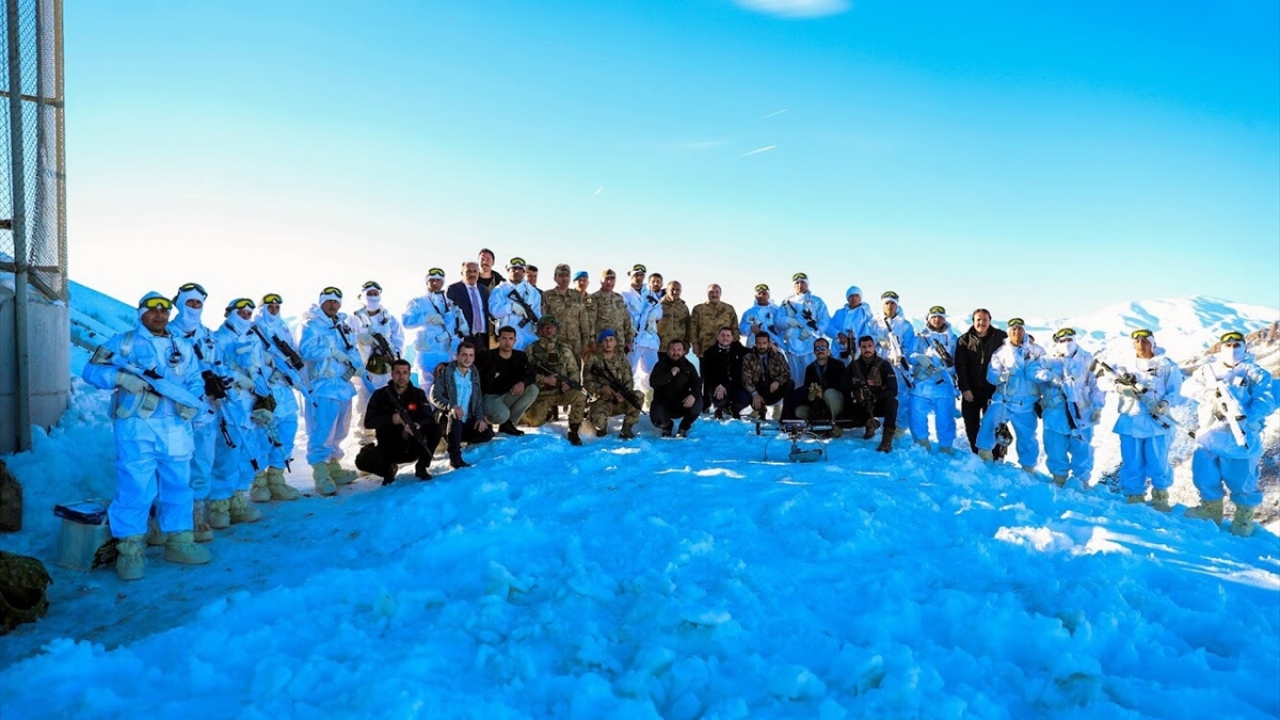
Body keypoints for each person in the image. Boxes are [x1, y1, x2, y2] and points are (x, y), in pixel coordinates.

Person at [81, 292, 210, 580]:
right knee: (135, 487)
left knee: (178, 484)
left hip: (175, 426)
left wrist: (192, 402)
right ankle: (130, 549)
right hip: (136, 426)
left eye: (164, 310)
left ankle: (179, 540)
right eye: (153, 310)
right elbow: (91, 370)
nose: (160, 315)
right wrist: (119, 378)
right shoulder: (123, 343)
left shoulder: (182, 345)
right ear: (141, 313)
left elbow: (194, 380)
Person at [1182, 331, 1275, 536]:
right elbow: (1189, 387)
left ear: (1245, 347)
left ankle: (1243, 518)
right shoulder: (1207, 371)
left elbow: (1267, 400)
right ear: (1220, 348)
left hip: (1240, 436)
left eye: (1236, 345)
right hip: (1209, 434)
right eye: (1228, 345)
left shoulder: (1256, 373)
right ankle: (1211, 510)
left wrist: (1244, 414)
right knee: (1205, 474)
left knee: (1242, 478)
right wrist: (1211, 396)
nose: (1232, 349)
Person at [1100, 329, 1184, 510]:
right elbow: (1102, 381)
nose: (1140, 344)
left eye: (1144, 341)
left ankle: (1160, 496)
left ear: (1152, 342)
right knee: (1131, 460)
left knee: (1158, 460)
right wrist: (1120, 388)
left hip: (1157, 421)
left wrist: (1165, 402)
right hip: (1130, 419)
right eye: (1136, 341)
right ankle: (1134, 496)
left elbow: (1175, 390)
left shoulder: (1167, 365)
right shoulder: (1125, 363)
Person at [208, 298, 270, 528]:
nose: (245, 317)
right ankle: (219, 506)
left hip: (251, 405)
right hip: (231, 405)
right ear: (230, 313)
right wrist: (236, 379)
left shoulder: (253, 338)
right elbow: (213, 367)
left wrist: (263, 390)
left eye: (248, 314)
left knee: (249, 452)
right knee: (228, 455)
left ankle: (237, 500)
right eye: (241, 313)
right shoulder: (218, 338)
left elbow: (259, 369)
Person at [298, 286, 362, 495]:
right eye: (328, 300)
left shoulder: (342, 326)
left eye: (336, 300)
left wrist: (356, 365)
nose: (333, 304)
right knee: (322, 430)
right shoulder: (312, 325)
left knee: (341, 429)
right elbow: (306, 350)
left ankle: (333, 464)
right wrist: (332, 352)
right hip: (323, 386)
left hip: (343, 386)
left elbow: (351, 349)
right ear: (321, 303)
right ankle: (319, 470)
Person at [1035, 328, 1104, 487]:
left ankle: (1082, 481)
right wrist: (1047, 375)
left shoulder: (1087, 358)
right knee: (1055, 448)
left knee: (1082, 449)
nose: (1066, 343)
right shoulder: (1048, 360)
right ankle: (1059, 479)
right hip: (1055, 412)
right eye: (1062, 340)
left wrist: (1098, 407)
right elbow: (1033, 371)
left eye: (1069, 339)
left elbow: (1096, 385)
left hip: (1082, 413)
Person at [250, 292, 302, 501]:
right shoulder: (252, 329)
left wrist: (290, 373)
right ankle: (259, 482)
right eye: (269, 307)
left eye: (276, 307)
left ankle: (277, 479)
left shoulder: (283, 327)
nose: (273, 310)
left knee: (287, 431)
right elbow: (246, 361)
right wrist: (268, 367)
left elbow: (292, 355)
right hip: (264, 392)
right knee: (263, 437)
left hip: (284, 390)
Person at [975, 318, 1044, 472]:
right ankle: (984, 457)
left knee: (1028, 437)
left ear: (1024, 330)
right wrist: (999, 377)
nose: (1017, 332)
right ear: (1009, 331)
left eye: (1020, 329)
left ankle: (1028, 469)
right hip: (1003, 400)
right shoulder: (1001, 352)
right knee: (988, 424)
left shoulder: (1037, 351)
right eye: (1013, 329)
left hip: (1026, 403)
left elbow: (1046, 370)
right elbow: (990, 375)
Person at [360, 359, 439, 484]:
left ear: (409, 374)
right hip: (389, 447)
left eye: (405, 372)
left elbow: (429, 417)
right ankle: (388, 470)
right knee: (362, 460)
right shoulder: (380, 395)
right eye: (397, 372)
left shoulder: (418, 394)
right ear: (391, 374)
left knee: (435, 429)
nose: (401, 376)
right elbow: (369, 422)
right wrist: (390, 419)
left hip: (413, 444)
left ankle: (422, 467)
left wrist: (417, 425)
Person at [349, 281, 405, 440]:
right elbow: (343, 338)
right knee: (363, 403)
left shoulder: (388, 317)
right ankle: (364, 439)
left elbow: (399, 339)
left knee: (387, 401)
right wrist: (359, 337)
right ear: (362, 296)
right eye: (369, 294)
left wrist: (394, 354)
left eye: (376, 294)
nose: (373, 297)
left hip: (385, 369)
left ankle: (386, 435)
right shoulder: (354, 318)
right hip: (363, 369)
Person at [402, 268, 468, 397]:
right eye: (432, 280)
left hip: (448, 355)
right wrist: (426, 318)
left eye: (438, 280)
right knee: (427, 392)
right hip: (428, 354)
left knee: (449, 393)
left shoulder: (449, 303)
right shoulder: (418, 302)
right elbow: (407, 322)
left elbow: (456, 330)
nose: (435, 283)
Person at [523, 316, 587, 445]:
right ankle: (539, 413)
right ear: (539, 330)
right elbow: (524, 375)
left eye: (551, 327)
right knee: (534, 422)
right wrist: (544, 379)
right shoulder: (531, 350)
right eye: (545, 327)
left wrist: (569, 384)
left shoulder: (564, 349)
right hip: (540, 395)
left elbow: (574, 371)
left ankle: (573, 430)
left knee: (580, 396)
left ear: (556, 329)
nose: (548, 330)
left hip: (560, 392)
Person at [429, 341, 494, 468]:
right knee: (455, 416)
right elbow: (434, 396)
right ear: (457, 356)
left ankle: (456, 438)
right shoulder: (447, 372)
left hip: (465, 419)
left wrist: (480, 418)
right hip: (446, 418)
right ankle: (455, 457)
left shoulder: (474, 374)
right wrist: (451, 406)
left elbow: (478, 399)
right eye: (464, 355)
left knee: (487, 434)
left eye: (471, 355)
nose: (467, 358)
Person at [955, 308, 1009, 456]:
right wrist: (964, 388)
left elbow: (1015, 347)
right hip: (971, 390)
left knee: (993, 424)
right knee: (971, 424)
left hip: (992, 390)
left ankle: (996, 455)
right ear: (973, 321)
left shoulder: (1001, 337)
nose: (982, 322)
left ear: (990, 320)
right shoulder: (964, 340)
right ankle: (977, 453)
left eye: (984, 319)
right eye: (978, 319)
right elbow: (961, 366)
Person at [907, 306, 960, 453]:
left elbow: (959, 361)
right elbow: (908, 355)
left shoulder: (952, 339)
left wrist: (948, 366)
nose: (937, 319)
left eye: (940, 317)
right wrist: (918, 358)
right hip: (921, 384)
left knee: (945, 418)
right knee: (916, 415)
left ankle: (946, 446)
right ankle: (921, 443)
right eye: (934, 317)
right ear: (928, 318)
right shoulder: (919, 336)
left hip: (944, 385)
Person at [869, 291, 916, 436]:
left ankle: (899, 425)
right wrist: (878, 342)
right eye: (887, 303)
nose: (889, 306)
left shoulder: (905, 325)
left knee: (900, 393)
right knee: (877, 391)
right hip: (877, 364)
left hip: (897, 366)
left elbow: (910, 347)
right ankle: (878, 422)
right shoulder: (874, 322)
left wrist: (900, 354)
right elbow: (866, 340)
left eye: (892, 303)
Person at [480, 326, 541, 436]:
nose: (507, 342)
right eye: (504, 338)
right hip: (490, 397)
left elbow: (531, 375)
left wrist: (522, 383)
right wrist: (444, 365)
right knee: (502, 415)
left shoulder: (520, 357)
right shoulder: (487, 356)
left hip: (508, 394)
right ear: (498, 339)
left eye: (510, 338)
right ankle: (483, 421)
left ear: (515, 340)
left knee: (532, 389)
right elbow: (466, 362)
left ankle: (507, 424)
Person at [843, 335, 898, 452]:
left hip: (878, 403)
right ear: (860, 348)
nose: (867, 349)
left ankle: (887, 440)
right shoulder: (854, 365)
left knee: (892, 402)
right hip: (860, 404)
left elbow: (893, 389)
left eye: (869, 346)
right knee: (844, 421)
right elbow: (843, 384)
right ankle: (869, 423)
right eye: (864, 347)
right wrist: (857, 387)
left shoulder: (884, 365)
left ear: (874, 347)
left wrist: (877, 396)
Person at [584, 329, 642, 439]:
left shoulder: (621, 360)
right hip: (601, 401)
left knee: (638, 396)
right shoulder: (593, 360)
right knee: (599, 425)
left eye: (611, 340)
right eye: (605, 340)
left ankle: (627, 428)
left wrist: (624, 394)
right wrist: (602, 388)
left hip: (619, 401)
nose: (608, 343)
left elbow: (628, 380)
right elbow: (587, 383)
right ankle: (599, 424)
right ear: (601, 343)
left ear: (615, 342)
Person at [778, 272, 831, 387]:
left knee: (813, 378)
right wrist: (788, 321)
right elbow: (778, 320)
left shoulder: (816, 301)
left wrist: (815, 332)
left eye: (802, 282)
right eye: (797, 283)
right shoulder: (787, 302)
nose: (800, 285)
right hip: (792, 346)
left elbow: (825, 320)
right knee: (795, 379)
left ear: (807, 284)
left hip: (810, 346)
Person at [790, 337, 845, 435]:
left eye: (823, 348)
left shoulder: (838, 365)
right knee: (799, 411)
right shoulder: (810, 368)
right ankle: (819, 424)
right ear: (814, 351)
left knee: (829, 393)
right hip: (819, 404)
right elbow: (807, 387)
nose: (820, 351)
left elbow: (842, 386)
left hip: (835, 401)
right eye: (817, 349)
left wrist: (823, 391)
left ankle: (836, 424)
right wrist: (811, 395)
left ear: (828, 350)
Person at [649, 338, 703, 437]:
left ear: (683, 352)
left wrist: (693, 395)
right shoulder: (660, 365)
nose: (676, 352)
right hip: (664, 404)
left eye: (679, 350)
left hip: (682, 403)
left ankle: (684, 427)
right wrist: (670, 374)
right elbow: (653, 382)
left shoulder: (688, 366)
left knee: (698, 402)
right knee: (657, 412)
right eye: (673, 349)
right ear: (668, 351)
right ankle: (667, 427)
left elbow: (697, 383)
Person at [488, 258, 542, 350]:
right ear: (508, 270)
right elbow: (494, 311)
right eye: (513, 268)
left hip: (527, 339)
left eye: (520, 269)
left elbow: (537, 314)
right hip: (506, 340)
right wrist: (510, 307)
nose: (517, 271)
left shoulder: (533, 292)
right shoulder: (499, 290)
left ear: (524, 272)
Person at [541, 263, 591, 360]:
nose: (564, 279)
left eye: (567, 276)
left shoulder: (576, 295)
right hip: (554, 343)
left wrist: (585, 342)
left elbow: (583, 320)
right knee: (554, 370)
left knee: (575, 372)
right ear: (555, 278)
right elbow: (543, 319)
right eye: (561, 275)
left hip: (574, 344)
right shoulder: (547, 295)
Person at [741, 331, 794, 420]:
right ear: (755, 343)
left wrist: (778, 381)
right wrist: (755, 394)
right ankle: (759, 409)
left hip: (773, 388)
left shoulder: (777, 356)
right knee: (745, 393)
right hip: (758, 389)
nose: (761, 346)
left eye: (764, 343)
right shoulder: (748, 357)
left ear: (769, 343)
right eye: (759, 343)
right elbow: (746, 379)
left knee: (790, 384)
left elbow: (786, 372)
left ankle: (785, 415)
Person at [446, 260, 491, 365]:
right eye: (468, 271)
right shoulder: (454, 289)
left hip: (483, 339)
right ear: (462, 273)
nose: (472, 274)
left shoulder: (484, 290)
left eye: (475, 271)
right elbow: (450, 314)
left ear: (479, 273)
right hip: (465, 338)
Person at [700, 326, 750, 419]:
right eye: (722, 335)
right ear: (718, 337)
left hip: (736, 385)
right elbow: (706, 373)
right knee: (719, 398)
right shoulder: (710, 353)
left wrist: (771, 346)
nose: (725, 338)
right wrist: (717, 384)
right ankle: (720, 408)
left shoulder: (739, 350)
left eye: (728, 336)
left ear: (732, 337)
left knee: (745, 399)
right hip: (719, 385)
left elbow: (754, 352)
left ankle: (734, 409)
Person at [629, 272, 665, 393]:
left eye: (641, 275)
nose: (639, 277)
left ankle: (650, 401)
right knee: (629, 371)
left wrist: (652, 315)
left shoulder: (651, 295)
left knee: (652, 372)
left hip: (650, 340)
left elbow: (659, 311)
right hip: (633, 339)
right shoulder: (626, 293)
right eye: (636, 275)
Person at [586, 269, 634, 356]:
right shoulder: (593, 298)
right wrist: (591, 340)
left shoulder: (619, 298)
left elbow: (626, 319)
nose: (609, 282)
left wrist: (628, 339)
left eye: (612, 279)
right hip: (602, 343)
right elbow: (590, 321)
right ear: (601, 281)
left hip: (619, 343)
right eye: (606, 279)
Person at [689, 284, 739, 360]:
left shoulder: (729, 309)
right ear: (707, 294)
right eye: (711, 292)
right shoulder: (698, 309)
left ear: (720, 293)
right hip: (705, 349)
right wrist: (694, 344)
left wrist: (735, 345)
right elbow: (693, 328)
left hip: (725, 349)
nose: (714, 294)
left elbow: (734, 328)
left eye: (717, 292)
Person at [830, 286, 873, 362]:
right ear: (847, 298)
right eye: (851, 296)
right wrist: (839, 334)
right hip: (838, 352)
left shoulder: (865, 313)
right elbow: (829, 327)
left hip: (857, 352)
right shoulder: (839, 313)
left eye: (857, 295)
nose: (854, 298)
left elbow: (868, 332)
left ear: (860, 298)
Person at [739, 284, 784, 351]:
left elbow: (783, 329)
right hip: (753, 349)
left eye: (764, 293)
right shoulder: (748, 313)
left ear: (768, 295)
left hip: (773, 349)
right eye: (759, 293)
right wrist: (751, 328)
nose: (761, 296)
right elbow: (741, 330)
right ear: (755, 296)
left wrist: (777, 343)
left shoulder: (777, 311)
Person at [656, 280, 691, 356]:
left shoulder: (684, 308)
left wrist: (687, 344)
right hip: (661, 348)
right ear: (666, 290)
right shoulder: (658, 305)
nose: (675, 292)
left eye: (677, 290)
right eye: (672, 289)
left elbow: (688, 327)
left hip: (678, 350)